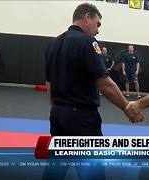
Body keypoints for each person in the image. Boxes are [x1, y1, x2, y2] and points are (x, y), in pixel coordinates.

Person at [44, 3, 142, 180]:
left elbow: (49, 84)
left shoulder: (53, 44)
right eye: (98, 24)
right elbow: (104, 83)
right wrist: (127, 107)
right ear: (87, 17)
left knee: (55, 170)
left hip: (57, 115)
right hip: (82, 120)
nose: (98, 30)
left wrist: (58, 108)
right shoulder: (88, 42)